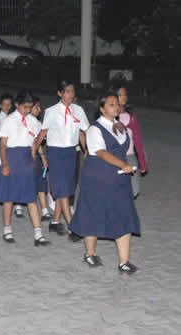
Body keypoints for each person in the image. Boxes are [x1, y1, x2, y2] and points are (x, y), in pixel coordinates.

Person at [70, 93, 140, 274]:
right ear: (101, 108)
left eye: (117, 104)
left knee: (123, 214)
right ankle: (90, 254)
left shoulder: (120, 126)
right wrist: (123, 164)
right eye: (111, 104)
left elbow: (124, 149)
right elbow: (100, 152)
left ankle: (124, 262)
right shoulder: (95, 129)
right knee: (93, 213)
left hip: (119, 179)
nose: (116, 107)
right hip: (98, 179)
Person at [33, 80, 89, 241]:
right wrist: (35, 151)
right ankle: (73, 227)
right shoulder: (51, 111)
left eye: (72, 91)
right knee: (62, 190)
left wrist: (87, 150)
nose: (70, 95)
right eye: (67, 91)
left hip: (71, 153)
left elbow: (82, 132)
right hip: (56, 153)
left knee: (67, 188)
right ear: (60, 93)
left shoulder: (78, 110)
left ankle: (55, 221)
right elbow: (43, 133)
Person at [0, 90, 49, 246]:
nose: (28, 110)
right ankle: (7, 229)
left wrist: (39, 153)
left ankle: (38, 234)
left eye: (30, 107)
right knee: (9, 197)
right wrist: (4, 164)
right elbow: (3, 144)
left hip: (26, 160)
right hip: (12, 158)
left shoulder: (32, 120)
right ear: (17, 105)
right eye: (25, 107)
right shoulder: (9, 121)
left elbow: (39, 137)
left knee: (31, 197)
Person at [112, 85, 148, 198]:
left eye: (125, 94)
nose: (124, 97)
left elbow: (138, 141)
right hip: (115, 158)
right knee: (116, 190)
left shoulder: (131, 117)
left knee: (133, 190)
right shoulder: (110, 116)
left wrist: (142, 162)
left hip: (130, 156)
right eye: (120, 95)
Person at [30, 97, 52, 221]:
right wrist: (42, 157)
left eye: (39, 106)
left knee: (41, 180)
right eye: (36, 107)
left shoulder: (38, 123)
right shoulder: (30, 122)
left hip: (37, 154)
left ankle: (44, 210)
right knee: (31, 181)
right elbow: (35, 142)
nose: (39, 109)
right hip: (30, 154)